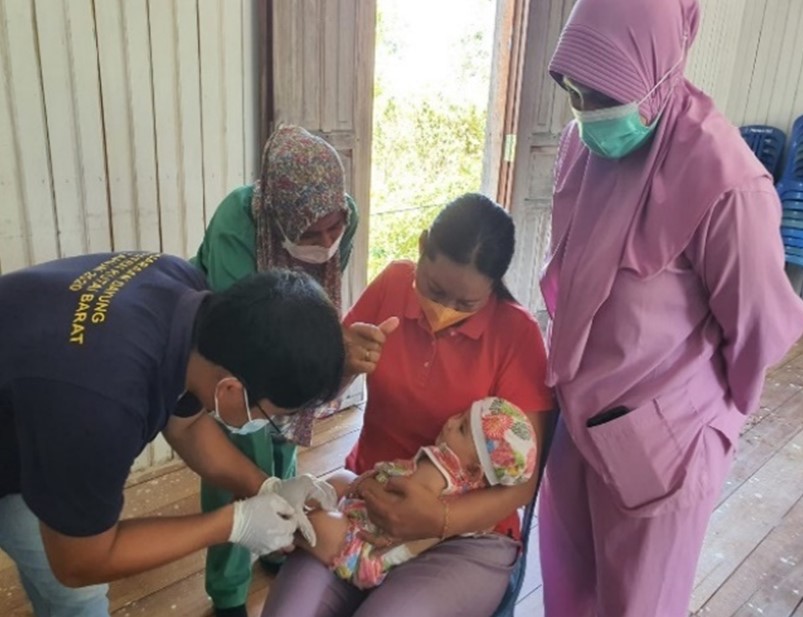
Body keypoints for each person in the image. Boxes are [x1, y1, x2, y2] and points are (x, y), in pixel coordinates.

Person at [537, 1, 803, 616]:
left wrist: (693, 417)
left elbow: (760, 329)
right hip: (575, 415)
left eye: (606, 93)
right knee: (568, 589)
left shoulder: (726, 182)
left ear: (657, 71)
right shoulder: (585, 145)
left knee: (639, 601)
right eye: (576, 89)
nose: (587, 109)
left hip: (664, 443)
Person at [0, 251, 343, 617]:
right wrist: (232, 523)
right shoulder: (102, 407)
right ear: (231, 389)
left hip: (29, 408)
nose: (267, 423)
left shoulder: (188, 298)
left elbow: (187, 424)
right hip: (36, 422)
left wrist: (267, 487)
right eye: (272, 416)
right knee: (77, 592)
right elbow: (78, 563)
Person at [262, 193, 555, 617]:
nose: (445, 310)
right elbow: (320, 393)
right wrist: (342, 365)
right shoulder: (393, 286)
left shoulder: (517, 336)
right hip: (367, 499)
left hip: (466, 533)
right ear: (421, 247)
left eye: (466, 305)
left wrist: (438, 518)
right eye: (435, 290)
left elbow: (522, 484)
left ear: (493, 287)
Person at [192, 125, 359, 616]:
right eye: (309, 235)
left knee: (285, 441)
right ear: (277, 218)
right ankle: (228, 591)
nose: (326, 243)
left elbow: (320, 291)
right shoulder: (234, 226)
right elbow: (246, 343)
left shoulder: (342, 214)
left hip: (291, 325)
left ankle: (281, 540)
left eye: (334, 229)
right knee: (236, 455)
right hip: (232, 343)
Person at [302, 397, 537, 590]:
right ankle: (299, 511)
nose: (450, 422)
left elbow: (394, 504)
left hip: (366, 548)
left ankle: (292, 524)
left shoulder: (441, 474)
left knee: (319, 522)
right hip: (369, 521)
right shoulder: (466, 487)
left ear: (474, 470)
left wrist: (367, 483)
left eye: (462, 428)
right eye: (460, 416)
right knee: (340, 481)